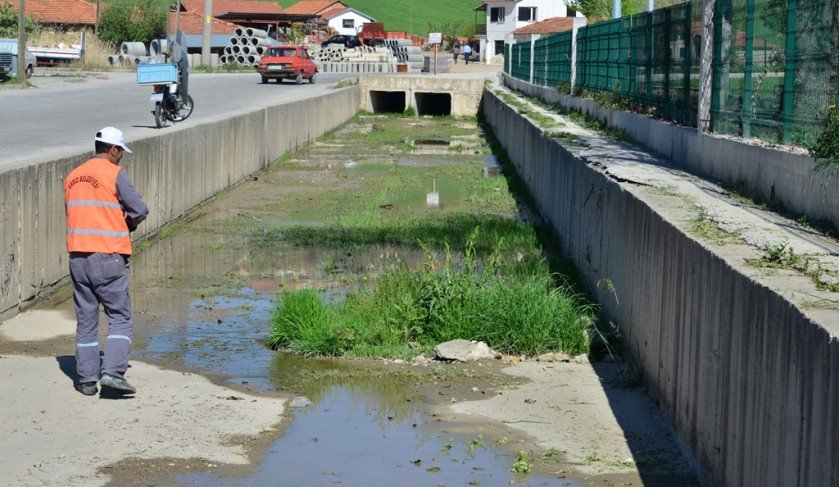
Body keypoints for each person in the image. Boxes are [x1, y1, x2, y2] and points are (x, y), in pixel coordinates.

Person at [65, 127, 148, 396]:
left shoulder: (73, 176)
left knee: (86, 318)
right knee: (119, 316)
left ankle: (87, 381)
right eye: (121, 151)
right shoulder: (115, 174)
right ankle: (113, 373)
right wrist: (128, 224)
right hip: (109, 256)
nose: (122, 156)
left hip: (78, 257)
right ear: (113, 150)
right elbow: (140, 209)